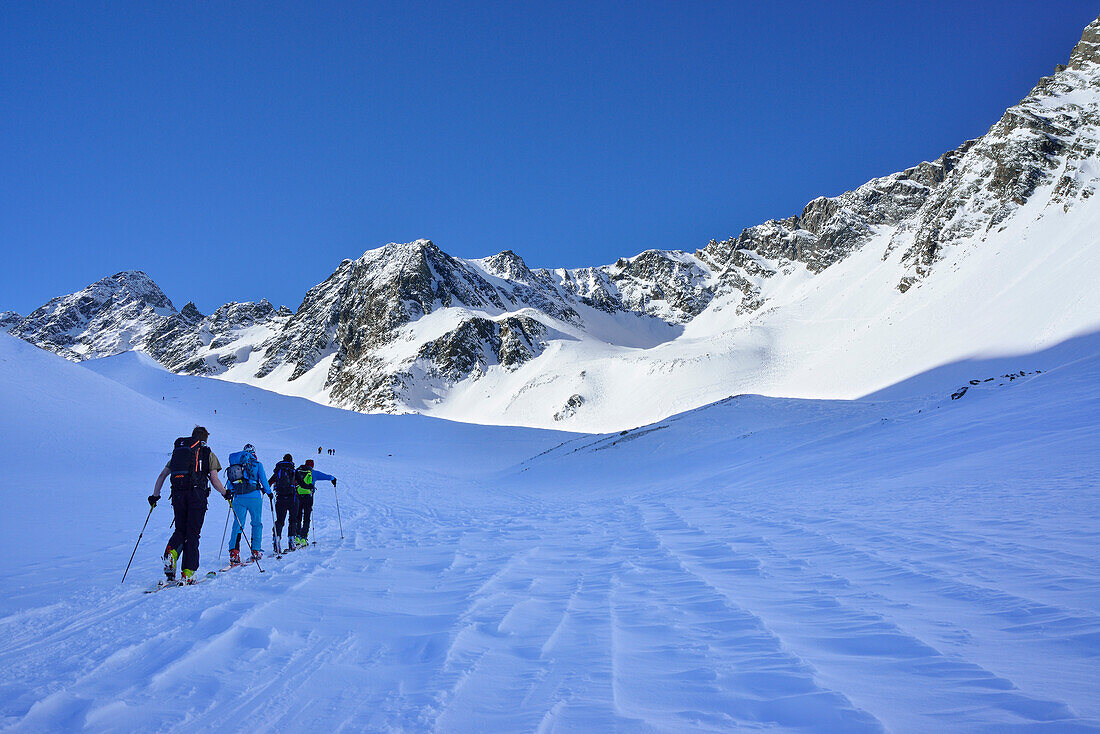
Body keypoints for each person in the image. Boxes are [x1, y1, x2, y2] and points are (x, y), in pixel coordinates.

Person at [149, 426, 229, 583]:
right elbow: (214, 480)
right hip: (197, 496)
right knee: (193, 532)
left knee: (180, 529)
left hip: (178, 494)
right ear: (205, 439)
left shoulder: (179, 453)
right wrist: (225, 493)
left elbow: (162, 475)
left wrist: (155, 496)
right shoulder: (207, 453)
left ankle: (171, 554)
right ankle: (188, 572)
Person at [224, 444, 272, 564]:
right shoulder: (257, 464)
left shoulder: (236, 465)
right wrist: (269, 492)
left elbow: (230, 483)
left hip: (239, 498)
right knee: (256, 523)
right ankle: (256, 551)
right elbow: (264, 481)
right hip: (254, 497)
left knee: (238, 524)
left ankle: (234, 552)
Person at [290, 459, 337, 549]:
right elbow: (326, 476)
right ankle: (304, 538)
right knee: (307, 518)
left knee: (298, 517)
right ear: (312, 465)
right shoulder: (313, 473)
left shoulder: (298, 472)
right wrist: (333, 479)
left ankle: (297, 537)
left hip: (298, 496)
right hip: (308, 497)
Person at [268, 453, 298, 553]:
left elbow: (269, 482)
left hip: (280, 498)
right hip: (292, 498)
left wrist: (266, 491)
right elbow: (302, 483)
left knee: (280, 520)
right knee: (293, 520)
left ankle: (276, 539)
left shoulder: (278, 471)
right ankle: (291, 541)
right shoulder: (293, 471)